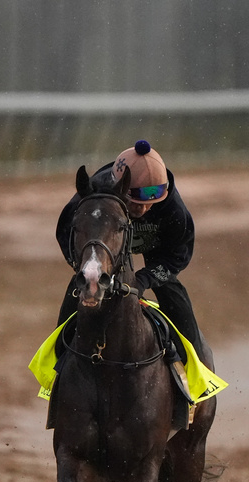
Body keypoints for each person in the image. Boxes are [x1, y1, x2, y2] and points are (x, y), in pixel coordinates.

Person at [55, 140, 207, 362]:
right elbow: (66, 232)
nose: (144, 208)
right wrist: (88, 265)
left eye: (152, 200)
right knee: (71, 308)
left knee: (178, 306)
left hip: (157, 249)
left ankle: (195, 374)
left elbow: (178, 254)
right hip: (106, 246)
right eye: (135, 201)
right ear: (121, 187)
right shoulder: (93, 195)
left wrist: (144, 279)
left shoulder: (173, 208)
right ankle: (58, 368)